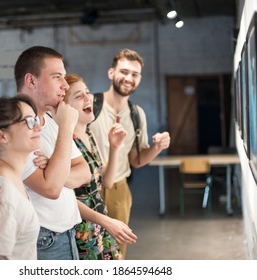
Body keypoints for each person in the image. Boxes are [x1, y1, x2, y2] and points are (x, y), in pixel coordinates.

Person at [14, 46, 137, 260]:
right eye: (56, 77)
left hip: (67, 233)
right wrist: (66, 127)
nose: (63, 85)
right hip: (44, 239)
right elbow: (51, 188)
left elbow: (84, 172)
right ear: (31, 81)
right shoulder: (19, 125)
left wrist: (53, 169)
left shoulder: (50, 124)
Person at [89, 48, 171, 257]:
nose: (129, 78)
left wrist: (157, 147)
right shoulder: (90, 105)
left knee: (116, 251)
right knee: (87, 250)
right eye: (124, 72)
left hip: (119, 190)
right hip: (87, 189)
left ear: (140, 79)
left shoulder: (137, 114)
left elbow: (136, 160)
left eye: (135, 74)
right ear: (111, 73)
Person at [64, 73, 127, 260]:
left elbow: (105, 183)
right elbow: (65, 198)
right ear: (64, 108)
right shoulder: (65, 142)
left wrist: (114, 148)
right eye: (78, 96)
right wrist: (106, 221)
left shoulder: (89, 134)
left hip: (100, 226)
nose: (88, 98)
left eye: (87, 92)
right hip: (82, 232)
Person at [0, 94, 47, 259]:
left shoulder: (10, 177)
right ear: (2, 135)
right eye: (29, 121)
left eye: (36, 119)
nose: (38, 127)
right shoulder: (3, 192)